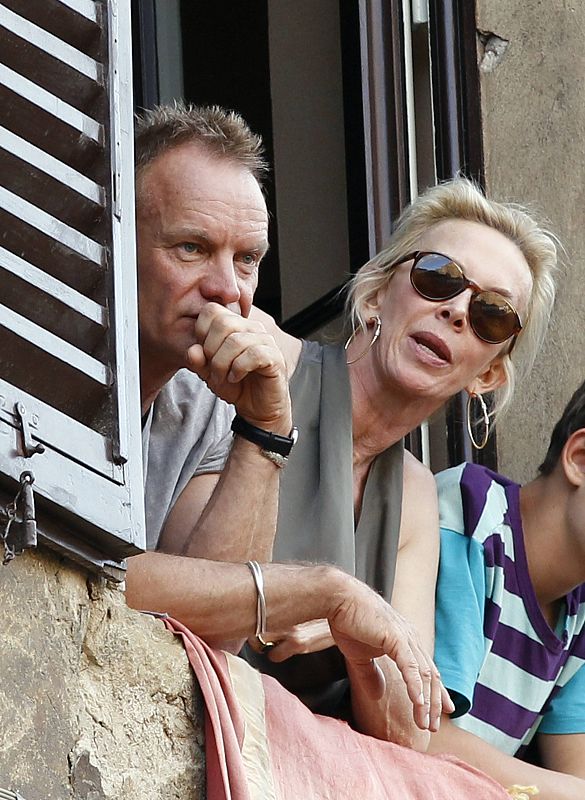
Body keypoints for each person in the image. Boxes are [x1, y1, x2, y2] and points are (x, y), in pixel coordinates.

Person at [159, 166, 558, 750]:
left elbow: (411, 732)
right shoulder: (258, 359)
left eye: (491, 314)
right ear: (374, 295)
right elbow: (175, 601)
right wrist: (323, 595)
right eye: (438, 277)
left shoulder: (416, 496)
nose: (456, 311)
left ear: (489, 374)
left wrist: (356, 643)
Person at [125, 102, 447, 741]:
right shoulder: (45, 358)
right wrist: (326, 590)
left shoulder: (208, 402)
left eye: (246, 259)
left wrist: (264, 429)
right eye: (191, 247)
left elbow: (207, 633)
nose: (227, 288)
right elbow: (95, 570)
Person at [429, 380, 585, 799]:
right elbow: (423, 737)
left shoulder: (580, 615)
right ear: (579, 459)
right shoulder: (472, 514)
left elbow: (576, 775)